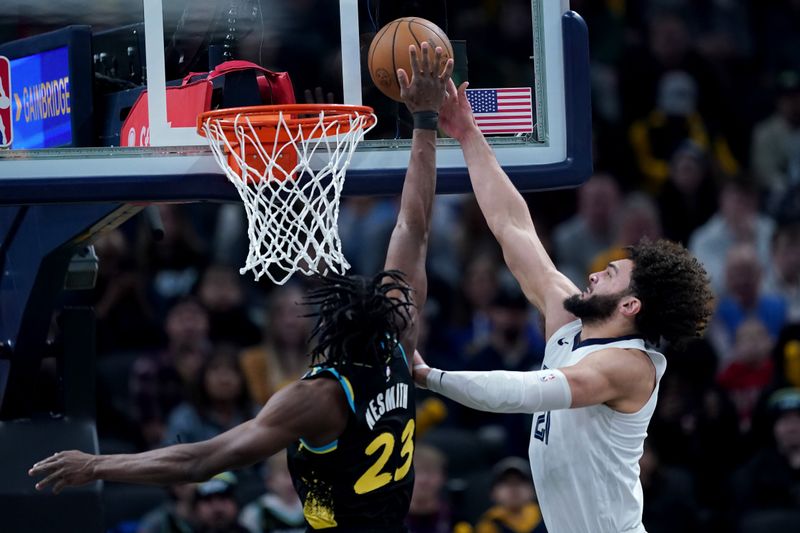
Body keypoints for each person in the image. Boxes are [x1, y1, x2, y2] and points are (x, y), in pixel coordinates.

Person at [28, 42, 455, 533]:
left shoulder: (318, 398)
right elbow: (414, 227)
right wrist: (423, 120)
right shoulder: (397, 342)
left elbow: (199, 462)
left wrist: (96, 465)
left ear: (327, 336)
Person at [414, 79, 714, 533]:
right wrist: (467, 135)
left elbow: (527, 392)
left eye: (609, 274)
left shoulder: (630, 366)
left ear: (630, 305)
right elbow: (513, 227)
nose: (594, 274)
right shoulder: (569, 324)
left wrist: (427, 376)